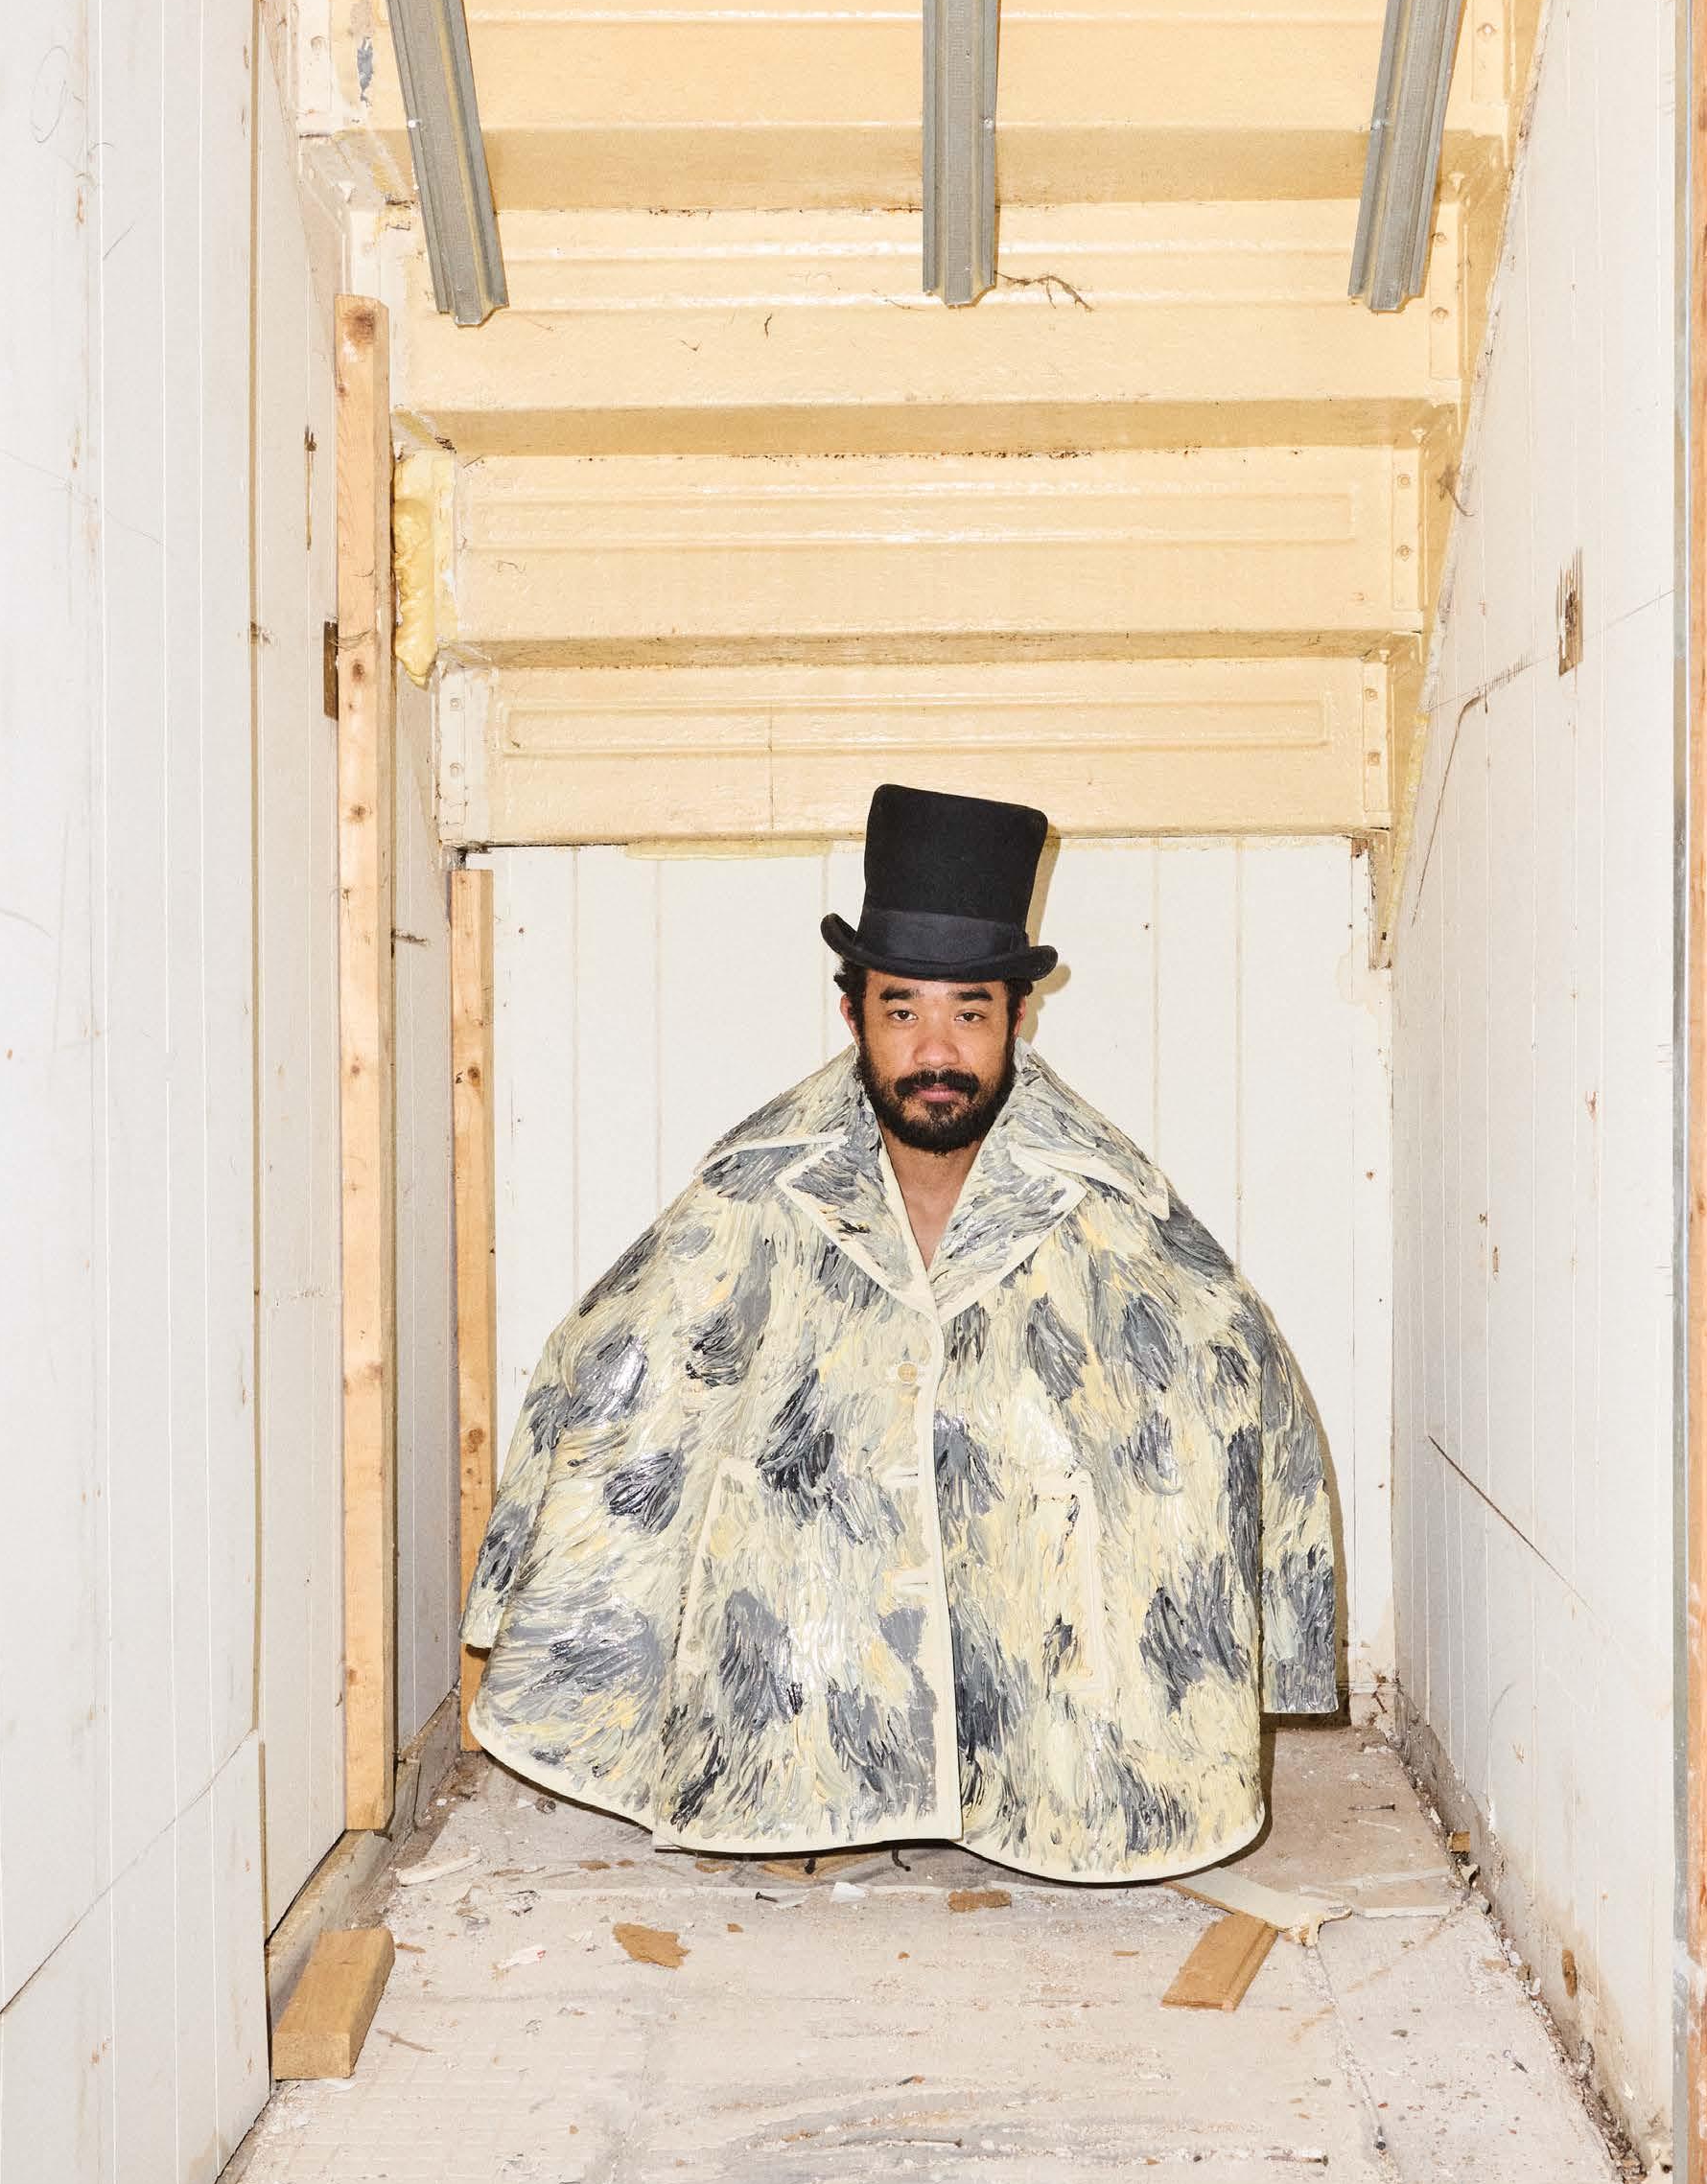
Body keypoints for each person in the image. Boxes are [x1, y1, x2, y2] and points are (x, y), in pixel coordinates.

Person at [456, 785, 1341, 1879]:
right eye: (901, 1011)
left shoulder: (1104, 1197)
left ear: (1017, 1018)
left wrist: (1265, 1634)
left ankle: (1016, 1781)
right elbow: (609, 1362)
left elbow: (1233, 1366)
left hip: (1042, 1688)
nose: (935, 1050)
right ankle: (819, 1780)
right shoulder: (760, 1182)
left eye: (968, 1014)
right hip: (802, 1670)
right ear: (853, 1016)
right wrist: (519, 1600)